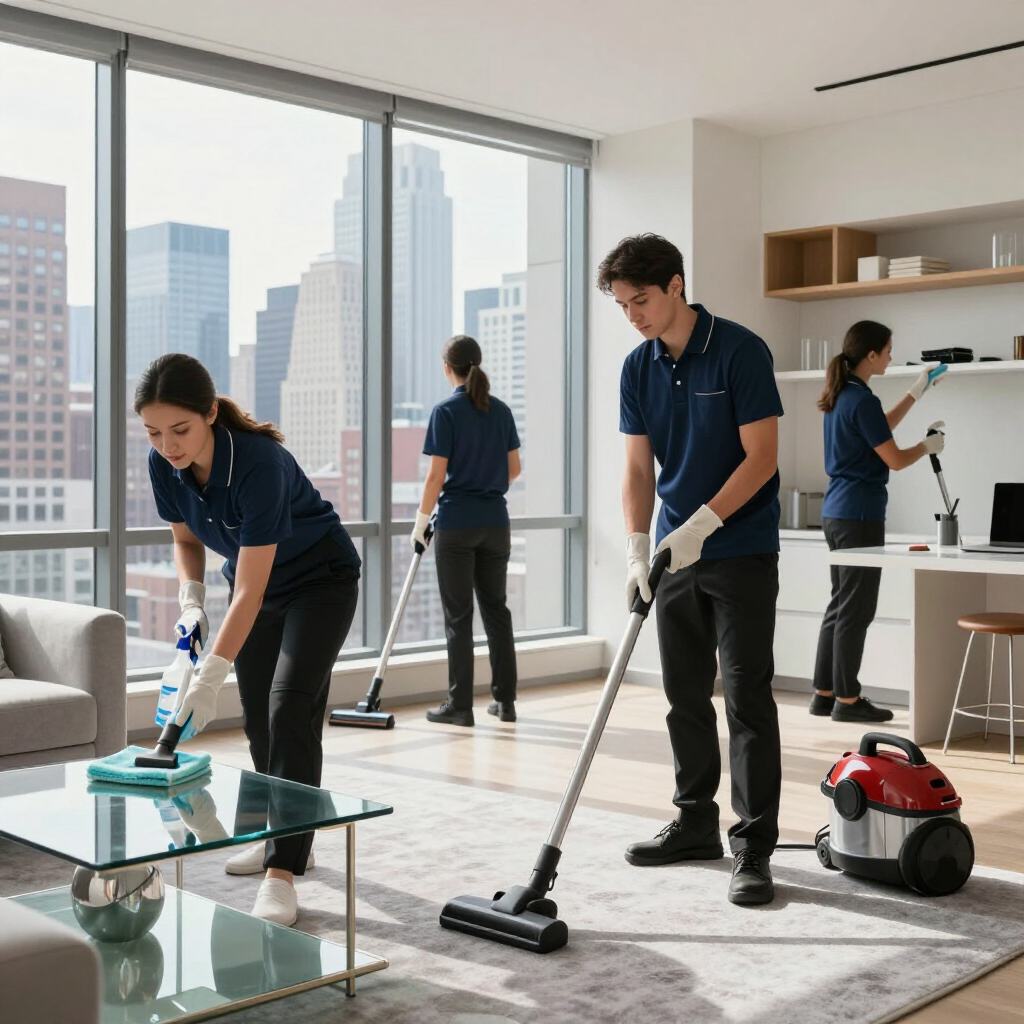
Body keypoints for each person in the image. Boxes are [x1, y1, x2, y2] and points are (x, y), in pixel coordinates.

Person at [137, 353, 361, 927]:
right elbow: (186, 537)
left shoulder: (260, 463)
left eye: (181, 429)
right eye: (155, 432)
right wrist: (191, 598)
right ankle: (278, 837)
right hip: (253, 586)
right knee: (261, 717)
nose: (169, 444)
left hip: (318, 581)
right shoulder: (165, 464)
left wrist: (210, 675)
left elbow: (252, 589)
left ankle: (283, 873)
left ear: (211, 413)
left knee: (289, 705)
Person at [599, 233, 784, 907]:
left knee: (746, 697)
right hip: (674, 555)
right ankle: (694, 823)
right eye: (622, 306)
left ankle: (754, 847)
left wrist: (705, 524)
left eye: (641, 300)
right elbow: (636, 468)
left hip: (739, 551)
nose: (634, 315)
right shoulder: (636, 368)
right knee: (682, 695)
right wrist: (636, 546)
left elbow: (760, 457)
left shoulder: (739, 351)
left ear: (676, 284)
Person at [811, 320, 944, 722]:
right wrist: (927, 446)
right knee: (856, 608)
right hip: (860, 515)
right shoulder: (860, 400)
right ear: (871, 354)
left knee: (839, 605)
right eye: (887, 350)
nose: (890, 356)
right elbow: (896, 459)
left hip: (837, 513)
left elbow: (878, 429)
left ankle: (825, 693)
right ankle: (848, 702)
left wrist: (916, 391)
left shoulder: (844, 395)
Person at [414, 334, 521, 727]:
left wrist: (421, 523)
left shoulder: (445, 412)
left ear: (448, 368)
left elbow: (435, 477)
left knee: (459, 617)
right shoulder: (502, 411)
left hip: (457, 525)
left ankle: (460, 706)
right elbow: (514, 471)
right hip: (496, 523)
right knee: (497, 612)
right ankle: (505, 702)